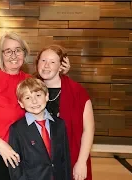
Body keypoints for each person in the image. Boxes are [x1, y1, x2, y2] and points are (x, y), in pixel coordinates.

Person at [0, 32, 70, 180]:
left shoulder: (29, 80)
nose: (13, 55)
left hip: (27, 153)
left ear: (24, 53)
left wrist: (60, 73)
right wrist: (1, 145)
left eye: (18, 50)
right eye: (8, 51)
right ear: (1, 55)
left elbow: (46, 95)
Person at [35, 44, 95, 180]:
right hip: (38, 162)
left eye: (52, 62)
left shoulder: (77, 92)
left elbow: (88, 129)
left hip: (68, 159)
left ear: (61, 66)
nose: (46, 65)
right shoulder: (30, 89)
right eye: (43, 60)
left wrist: (81, 162)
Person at [8, 77, 71, 180]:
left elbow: (65, 159)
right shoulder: (17, 129)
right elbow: (15, 167)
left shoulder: (59, 124)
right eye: (27, 98)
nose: (34, 101)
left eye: (38, 95)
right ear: (21, 103)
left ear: (46, 96)